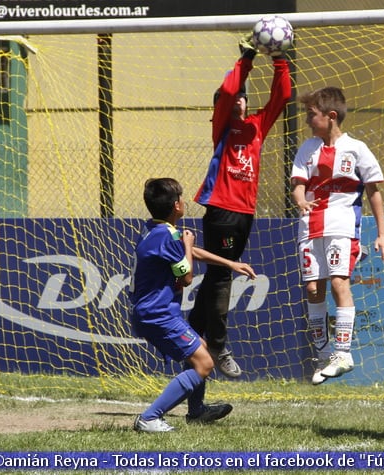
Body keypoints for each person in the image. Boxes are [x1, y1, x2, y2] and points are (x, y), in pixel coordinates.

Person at [190, 33, 292, 378]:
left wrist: (279, 59)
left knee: (217, 275)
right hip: (222, 209)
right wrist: (246, 59)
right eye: (230, 100)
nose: (237, 104)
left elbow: (283, 95)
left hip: (245, 213)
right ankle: (218, 345)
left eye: (242, 100)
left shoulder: (257, 126)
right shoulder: (223, 127)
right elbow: (231, 91)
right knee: (221, 277)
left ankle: (190, 332)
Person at [130, 178, 257, 433]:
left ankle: (197, 411)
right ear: (177, 205)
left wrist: (230, 264)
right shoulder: (168, 236)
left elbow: (187, 252)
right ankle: (149, 418)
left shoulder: (156, 230)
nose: (184, 201)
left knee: (202, 350)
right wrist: (187, 244)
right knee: (205, 363)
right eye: (182, 198)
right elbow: (186, 277)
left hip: (154, 311)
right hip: (158, 314)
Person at [290, 86, 384, 385]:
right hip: (309, 226)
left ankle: (343, 352)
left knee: (339, 283)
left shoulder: (357, 149)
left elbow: (374, 192)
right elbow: (298, 184)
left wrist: (383, 233)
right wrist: (299, 199)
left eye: (312, 115)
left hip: (342, 225)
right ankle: (323, 353)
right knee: (313, 289)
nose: (308, 120)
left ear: (331, 116)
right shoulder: (307, 148)